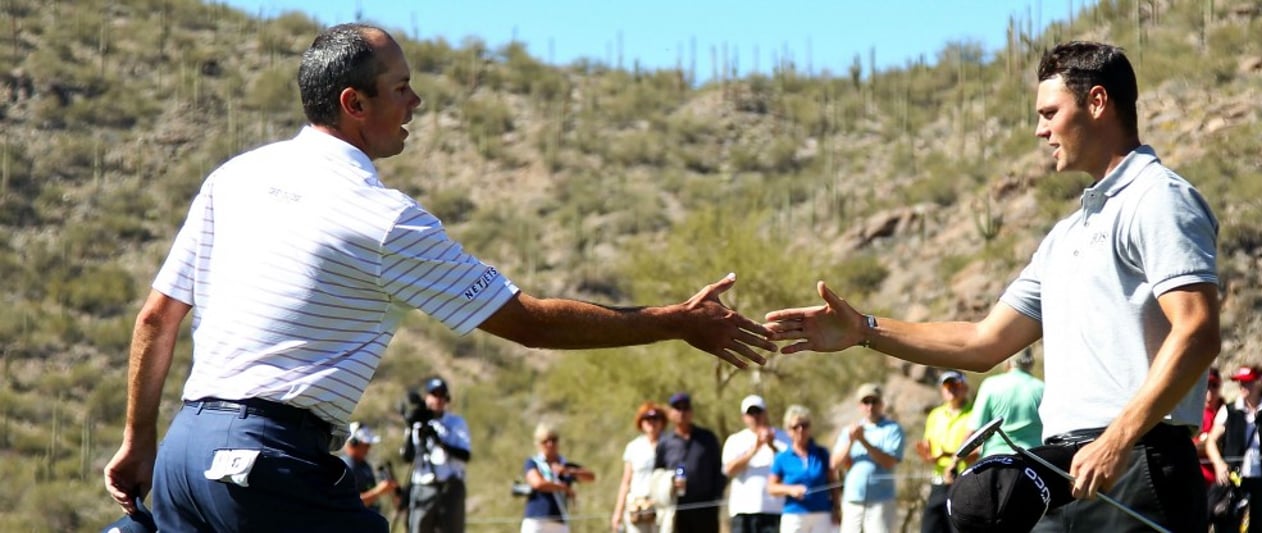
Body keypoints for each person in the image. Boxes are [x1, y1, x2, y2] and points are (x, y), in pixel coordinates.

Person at [101, 23, 776, 532]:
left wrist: (141, 440)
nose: (416, 100)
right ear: (352, 103)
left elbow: (157, 319)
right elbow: (530, 322)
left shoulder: (234, 177)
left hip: (185, 455)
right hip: (265, 461)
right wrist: (675, 322)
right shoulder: (382, 217)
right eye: (400, 88)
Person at [764, 40, 1219, 532]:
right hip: (1067, 468)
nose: (1040, 129)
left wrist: (1117, 437)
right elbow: (984, 342)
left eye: (1050, 112)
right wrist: (865, 330)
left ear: (1097, 102)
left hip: (1137, 460)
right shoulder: (1066, 235)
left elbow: (1196, 330)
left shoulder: (1159, 198)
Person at [1206, 365, 1262, 533]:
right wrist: (1219, 464)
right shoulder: (1229, 410)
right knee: (1228, 524)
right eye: (1241, 383)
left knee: (1260, 524)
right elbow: (1211, 441)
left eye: (1248, 383)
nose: (1243, 387)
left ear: (1260, 384)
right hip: (1235, 478)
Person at [400, 377, 470, 533]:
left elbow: (465, 455)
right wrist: (412, 428)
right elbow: (407, 457)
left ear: (446, 399)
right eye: (434, 394)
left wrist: (439, 441)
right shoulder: (417, 423)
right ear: (427, 397)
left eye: (441, 395)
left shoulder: (456, 423)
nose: (437, 399)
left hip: (449, 486)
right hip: (423, 485)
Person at [831, 383, 903, 533]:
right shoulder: (849, 431)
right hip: (852, 500)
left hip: (880, 501)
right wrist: (851, 441)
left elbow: (889, 462)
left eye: (874, 401)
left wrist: (863, 441)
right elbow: (835, 464)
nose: (870, 406)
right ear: (860, 406)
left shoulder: (892, 429)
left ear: (881, 404)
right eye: (866, 402)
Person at [654, 392, 725, 533]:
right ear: (670, 413)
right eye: (677, 408)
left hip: (705, 509)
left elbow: (719, 470)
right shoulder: (665, 443)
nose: (681, 412)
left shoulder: (707, 438)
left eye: (685, 408)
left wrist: (715, 499)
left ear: (691, 412)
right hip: (677, 509)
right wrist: (670, 485)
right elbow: (657, 474)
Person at [722, 394, 791, 533]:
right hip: (743, 510)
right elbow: (729, 470)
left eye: (758, 412)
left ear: (765, 413)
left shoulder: (783, 437)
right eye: (750, 413)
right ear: (744, 417)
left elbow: (790, 467)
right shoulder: (735, 440)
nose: (755, 416)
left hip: (774, 509)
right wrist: (755, 448)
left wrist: (771, 445)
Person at [916, 371, 974, 533]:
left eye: (955, 385)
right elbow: (929, 446)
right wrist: (927, 455)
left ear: (965, 388)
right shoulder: (935, 415)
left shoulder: (974, 413)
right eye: (947, 386)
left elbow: (977, 450)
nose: (951, 389)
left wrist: (949, 455)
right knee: (930, 527)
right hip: (939, 481)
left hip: (964, 481)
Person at [767, 405, 839, 533]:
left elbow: (832, 483)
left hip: (822, 514)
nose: (800, 430)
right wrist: (790, 490)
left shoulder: (822, 453)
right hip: (794, 514)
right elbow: (771, 488)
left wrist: (836, 509)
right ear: (788, 430)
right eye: (795, 427)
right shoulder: (782, 457)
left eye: (804, 425)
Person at [967, 348, 1045, 457]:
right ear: (1031, 362)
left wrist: (955, 461)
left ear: (1008, 362)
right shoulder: (1042, 388)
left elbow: (974, 429)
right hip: (1034, 458)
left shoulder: (991, 385)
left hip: (996, 458)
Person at [520, 423, 596, 533]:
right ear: (538, 444)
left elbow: (590, 477)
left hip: (559, 520)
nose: (550, 444)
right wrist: (564, 488)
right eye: (545, 441)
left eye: (553, 440)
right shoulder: (533, 463)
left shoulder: (565, 465)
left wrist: (569, 471)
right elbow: (537, 483)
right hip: (536, 519)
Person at [611, 402, 669, 533]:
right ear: (641, 422)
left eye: (655, 418)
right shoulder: (634, 447)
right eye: (647, 418)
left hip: (661, 507)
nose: (651, 422)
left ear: (662, 421)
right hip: (637, 506)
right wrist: (617, 513)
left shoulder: (670, 444)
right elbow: (626, 482)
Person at [340, 422, 400, 514]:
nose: (369, 448)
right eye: (366, 445)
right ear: (354, 443)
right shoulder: (345, 467)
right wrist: (378, 492)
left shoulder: (363, 464)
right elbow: (348, 503)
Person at [1196, 367, 1224, 486]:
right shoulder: (1195, 413)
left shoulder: (1226, 412)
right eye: (1206, 385)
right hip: (1200, 477)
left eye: (1214, 385)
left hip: (1222, 478)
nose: (1210, 391)